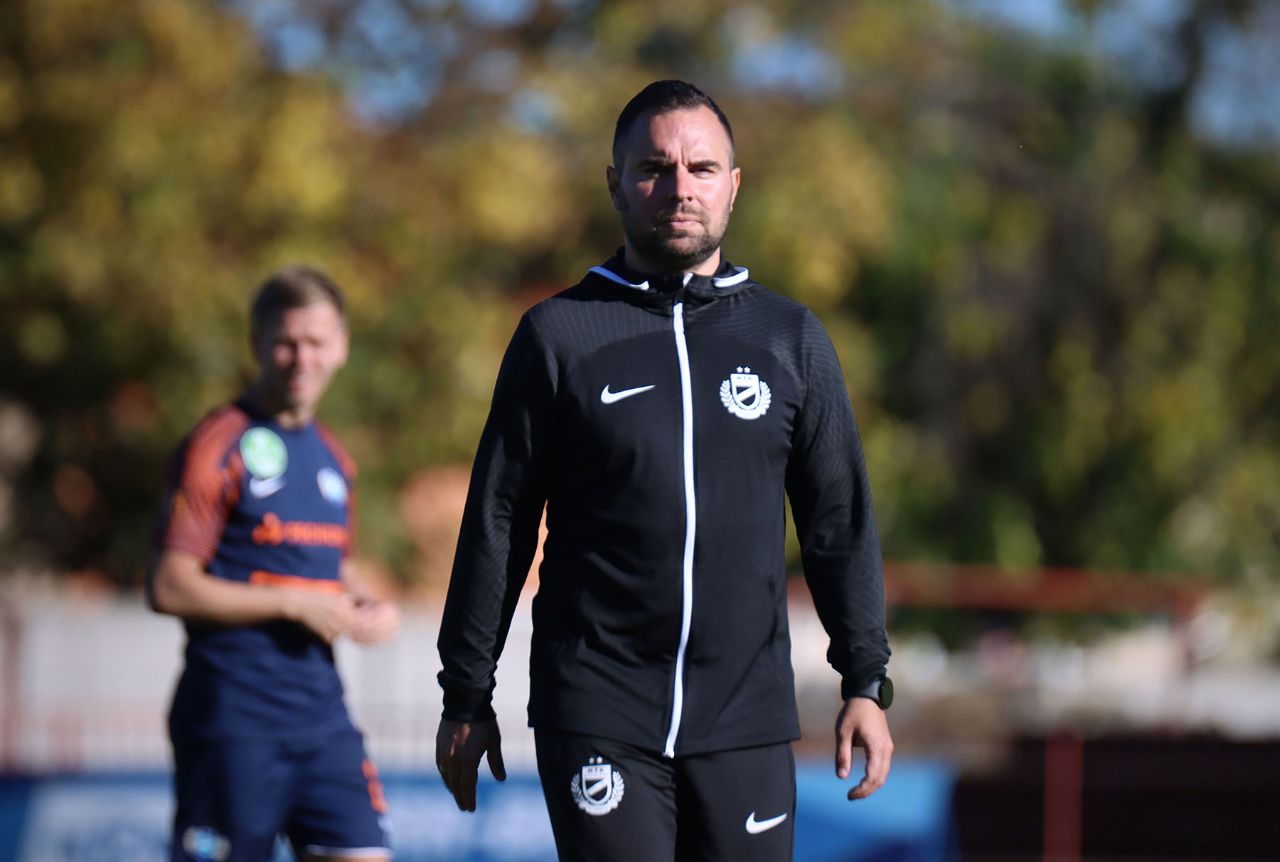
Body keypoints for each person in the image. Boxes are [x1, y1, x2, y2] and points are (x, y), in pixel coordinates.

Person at [436, 80, 893, 861]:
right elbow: (499, 522)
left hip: (745, 716)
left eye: (701, 168)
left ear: (733, 186)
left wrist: (865, 680)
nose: (680, 188)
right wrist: (467, 692)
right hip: (599, 708)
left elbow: (838, 522)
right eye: (654, 168)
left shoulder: (788, 338)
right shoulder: (559, 335)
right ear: (616, 184)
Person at [148, 265, 399, 862]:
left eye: (316, 342)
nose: (301, 358)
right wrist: (293, 603)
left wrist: (368, 603)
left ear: (341, 348)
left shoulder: (334, 458)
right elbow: (169, 586)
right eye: (286, 342)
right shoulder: (218, 443)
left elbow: (333, 564)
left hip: (322, 716)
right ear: (257, 344)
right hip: (233, 718)